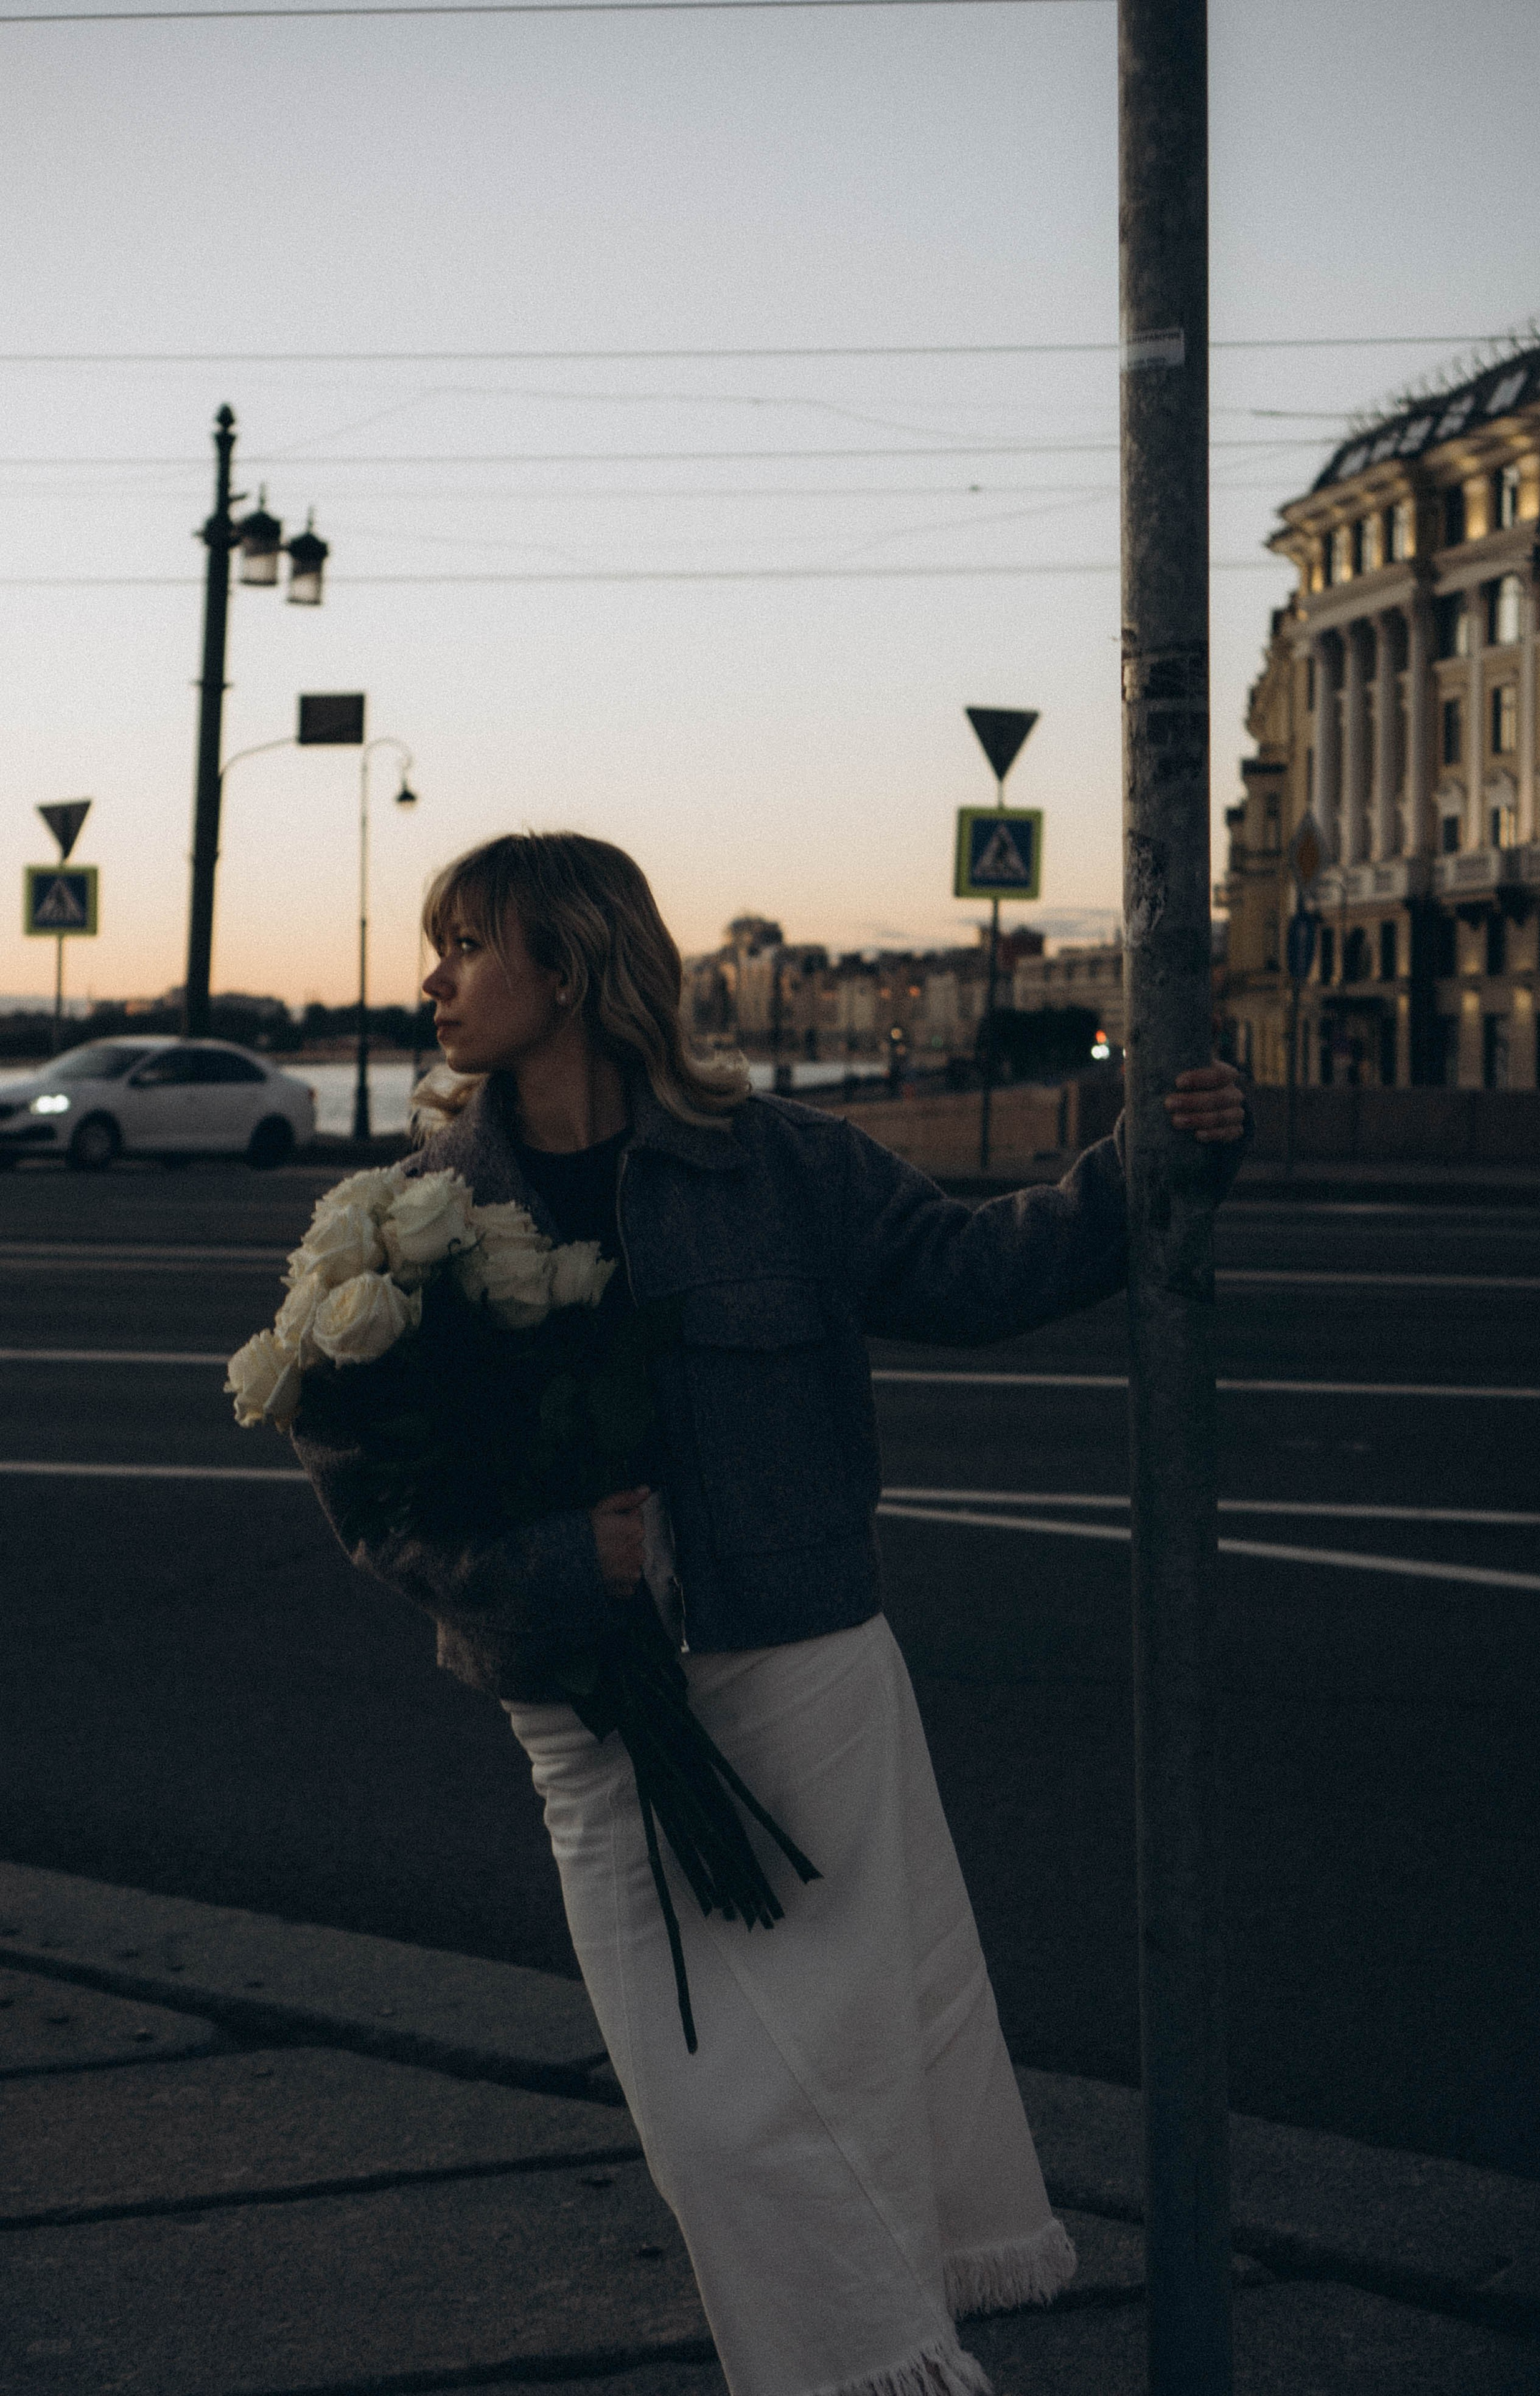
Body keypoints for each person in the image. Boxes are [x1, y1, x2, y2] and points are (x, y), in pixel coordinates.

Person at [294, 830, 1247, 2396]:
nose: (434, 979)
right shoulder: (405, 1218)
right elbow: (373, 1492)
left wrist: (1159, 1154)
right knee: (709, 2111)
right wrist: (553, 1561)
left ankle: (877, 2366)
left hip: (800, 1664)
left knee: (858, 2064)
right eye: (437, 944)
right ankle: (867, 2359)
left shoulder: (775, 1163)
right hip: (586, 1705)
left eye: (469, 944)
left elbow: (972, 1271)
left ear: (577, 963)